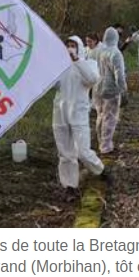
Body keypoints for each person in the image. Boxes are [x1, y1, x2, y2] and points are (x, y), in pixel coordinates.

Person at [52, 36, 107, 201]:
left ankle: (100, 170)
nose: (70, 48)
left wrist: (76, 59)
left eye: (73, 45)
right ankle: (70, 186)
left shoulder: (89, 64)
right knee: (65, 153)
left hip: (79, 113)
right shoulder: (60, 66)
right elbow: (54, 85)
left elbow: (92, 79)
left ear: (80, 48)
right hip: (60, 113)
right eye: (67, 45)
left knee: (83, 151)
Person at [93, 27, 128, 154]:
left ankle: (100, 142)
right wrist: (123, 90)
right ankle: (106, 146)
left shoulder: (100, 51)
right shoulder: (116, 53)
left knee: (100, 116)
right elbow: (119, 74)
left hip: (98, 88)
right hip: (111, 90)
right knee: (110, 118)